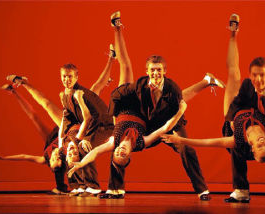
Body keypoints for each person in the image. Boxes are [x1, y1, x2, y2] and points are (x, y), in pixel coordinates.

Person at [162, 14, 265, 203]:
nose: (263, 142)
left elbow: (208, 142)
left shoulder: (238, 140)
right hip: (257, 107)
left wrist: (180, 139)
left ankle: (240, 190)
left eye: (260, 146)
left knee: (233, 74)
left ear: (253, 149)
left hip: (236, 115)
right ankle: (234, 33)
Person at [96, 11, 225, 200]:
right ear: (147, 71)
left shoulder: (172, 88)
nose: (155, 74)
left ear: (165, 71)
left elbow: (180, 105)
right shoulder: (140, 84)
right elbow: (116, 94)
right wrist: (115, 123)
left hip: (169, 120)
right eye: (152, 71)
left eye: (159, 71)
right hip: (146, 123)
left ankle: (202, 190)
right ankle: (115, 189)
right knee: (118, 142)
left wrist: (175, 129)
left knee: (186, 147)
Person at [0, 46, 115, 194]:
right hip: (81, 124)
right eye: (58, 158)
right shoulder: (66, 152)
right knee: (94, 90)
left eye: (53, 159)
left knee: (47, 107)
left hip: (79, 126)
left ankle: (24, 82)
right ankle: (111, 59)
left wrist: (2, 158)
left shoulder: (49, 155)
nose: (55, 155)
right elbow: (81, 118)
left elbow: (26, 154)